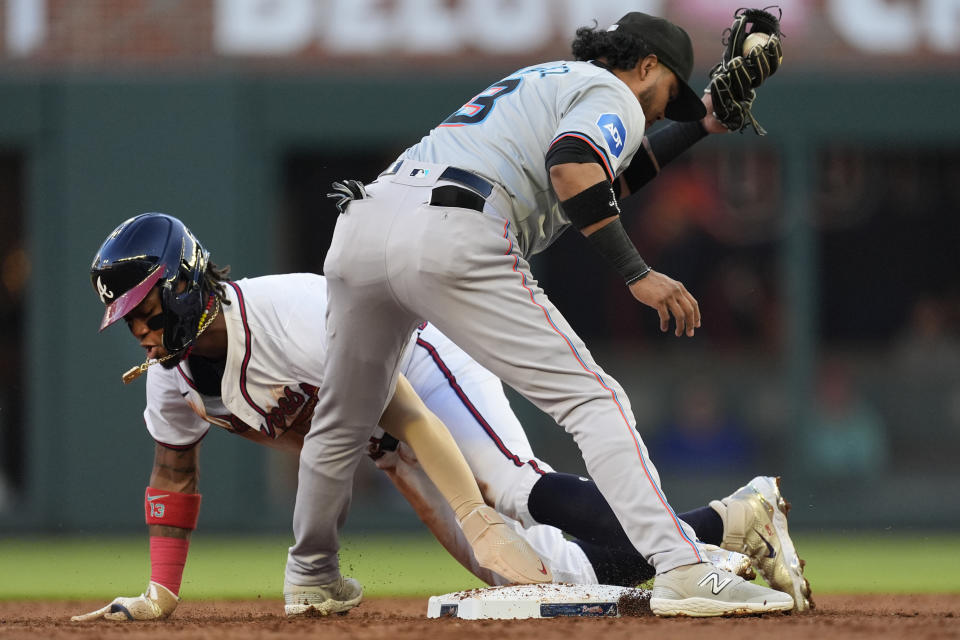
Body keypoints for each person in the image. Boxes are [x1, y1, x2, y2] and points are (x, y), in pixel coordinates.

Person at [293, 11, 797, 617]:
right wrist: (638, 272)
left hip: (363, 227)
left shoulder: (549, 79)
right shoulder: (614, 93)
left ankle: (311, 575)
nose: (666, 111)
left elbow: (610, 174)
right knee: (595, 401)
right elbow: (574, 166)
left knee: (343, 419)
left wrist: (705, 124)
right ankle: (682, 564)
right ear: (646, 67)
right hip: (451, 229)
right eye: (671, 96)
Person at [75, 213, 809, 621]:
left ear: (180, 286)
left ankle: (695, 556)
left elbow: (406, 408)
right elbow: (174, 469)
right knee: (538, 572)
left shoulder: (285, 317)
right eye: (127, 316)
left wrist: (471, 505)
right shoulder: (171, 380)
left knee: (513, 488)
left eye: (141, 308)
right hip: (385, 432)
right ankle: (730, 522)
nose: (137, 328)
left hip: (422, 363)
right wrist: (160, 594)